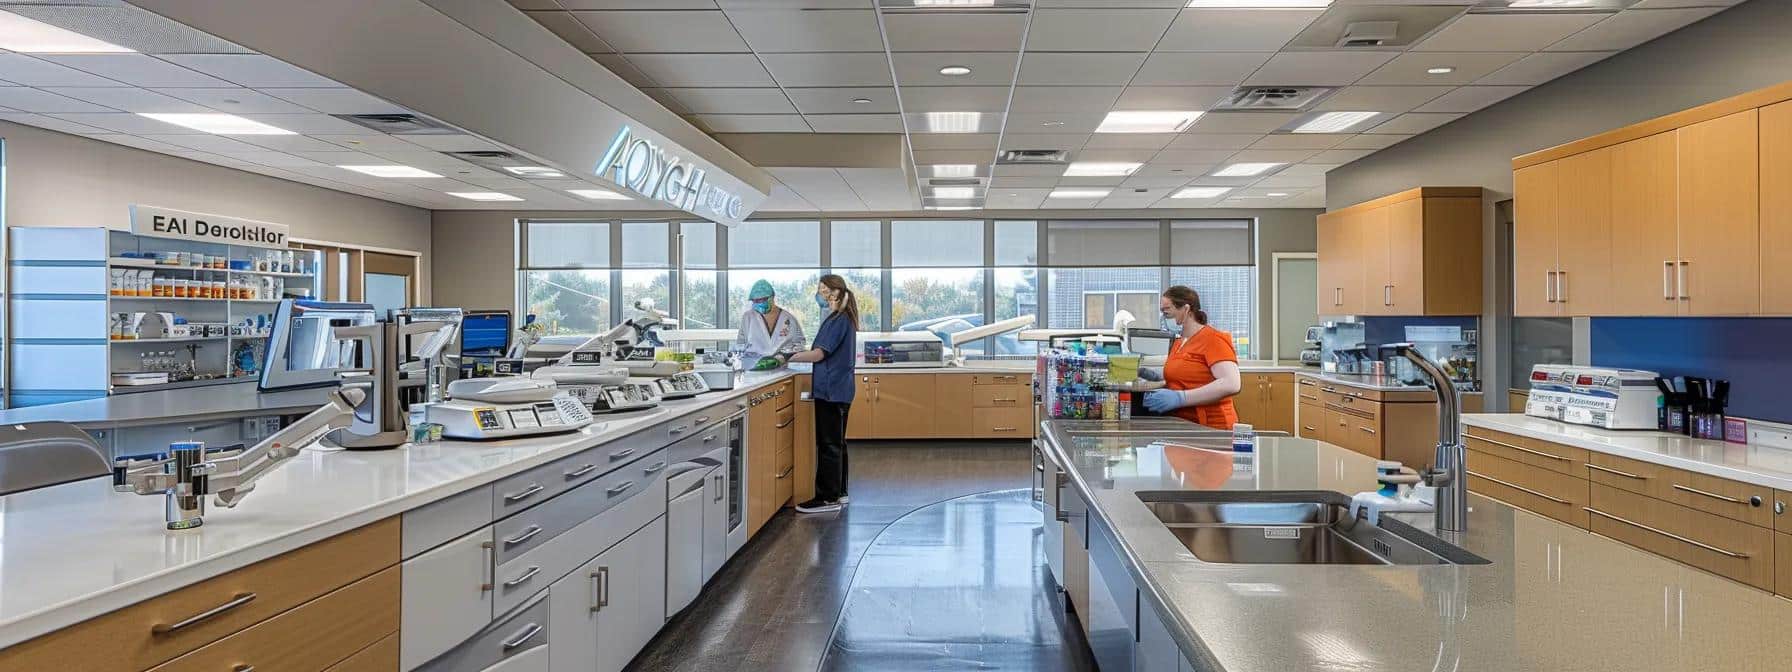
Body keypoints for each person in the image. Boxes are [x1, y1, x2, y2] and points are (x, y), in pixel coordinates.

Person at [786, 274, 859, 514]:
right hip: (839, 389)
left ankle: (827, 498)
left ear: (834, 292)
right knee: (837, 443)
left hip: (831, 391)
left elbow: (819, 354)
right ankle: (840, 492)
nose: (819, 294)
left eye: (822, 289)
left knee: (828, 444)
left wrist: (789, 357)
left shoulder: (838, 320)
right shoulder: (842, 318)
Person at [1139, 285, 1243, 430]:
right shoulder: (1179, 343)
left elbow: (1231, 384)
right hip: (1184, 424)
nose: (1164, 318)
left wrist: (1181, 398)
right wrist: (1157, 377)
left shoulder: (1213, 339)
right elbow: (1187, 377)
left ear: (1186, 309)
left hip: (1212, 427)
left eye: (1167, 312)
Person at [734, 279, 806, 368]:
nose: (758, 303)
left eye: (762, 300)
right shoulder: (748, 317)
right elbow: (741, 343)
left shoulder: (788, 319)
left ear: (772, 298)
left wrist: (782, 356)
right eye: (755, 301)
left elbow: (800, 343)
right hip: (754, 367)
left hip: (781, 369)